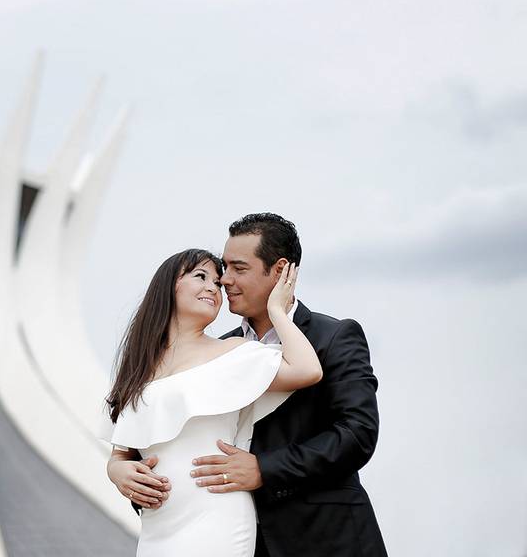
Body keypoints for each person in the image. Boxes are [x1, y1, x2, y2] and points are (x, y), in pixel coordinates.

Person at [107, 214, 388, 557]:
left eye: (238, 268)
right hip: (224, 535)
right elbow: (156, 440)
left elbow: (357, 434)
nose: (224, 281)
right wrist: (119, 469)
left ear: (280, 270)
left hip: (324, 539)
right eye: (222, 268)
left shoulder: (334, 336)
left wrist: (263, 468)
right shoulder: (216, 350)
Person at [100, 248, 321, 556]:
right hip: (157, 527)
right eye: (200, 277)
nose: (212, 288)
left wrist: (277, 312)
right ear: (167, 286)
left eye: (217, 283)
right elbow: (120, 453)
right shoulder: (139, 367)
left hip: (217, 514)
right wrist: (117, 472)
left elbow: (306, 369)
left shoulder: (232, 351)